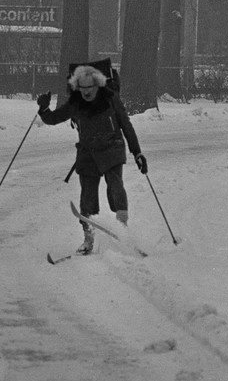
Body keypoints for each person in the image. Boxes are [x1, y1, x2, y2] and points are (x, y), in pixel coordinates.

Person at [37, 64, 147, 254]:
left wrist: (137, 153)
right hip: (88, 152)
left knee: (115, 186)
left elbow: (126, 126)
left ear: (98, 85)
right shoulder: (75, 103)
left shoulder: (111, 99)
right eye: (82, 89)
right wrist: (44, 108)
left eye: (90, 88)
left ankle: (123, 229)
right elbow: (54, 118)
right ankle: (88, 239)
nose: (86, 92)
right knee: (87, 196)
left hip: (112, 147)